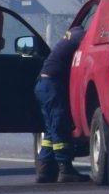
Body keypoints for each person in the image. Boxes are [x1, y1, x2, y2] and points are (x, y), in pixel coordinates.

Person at [34, 25, 87, 183]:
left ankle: (45, 169)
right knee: (59, 125)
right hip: (52, 84)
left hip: (43, 84)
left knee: (50, 130)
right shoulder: (81, 36)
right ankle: (65, 168)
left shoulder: (70, 37)